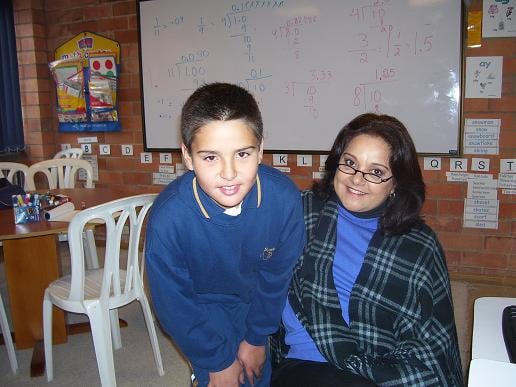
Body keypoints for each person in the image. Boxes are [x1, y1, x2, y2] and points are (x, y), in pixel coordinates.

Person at [270, 113, 464, 387]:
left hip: (384, 367)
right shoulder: (298, 212)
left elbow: (430, 338)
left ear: (395, 183)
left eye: (376, 172)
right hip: (307, 363)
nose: (357, 180)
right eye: (349, 163)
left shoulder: (419, 245)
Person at [145, 82, 305, 387]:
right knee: (223, 378)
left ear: (261, 150)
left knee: (260, 375)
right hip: (200, 303)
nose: (229, 173)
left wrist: (257, 338)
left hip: (255, 297)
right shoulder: (168, 218)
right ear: (188, 157)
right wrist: (214, 359)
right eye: (210, 157)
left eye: (242, 154)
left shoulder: (284, 199)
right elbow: (173, 302)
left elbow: (276, 277)